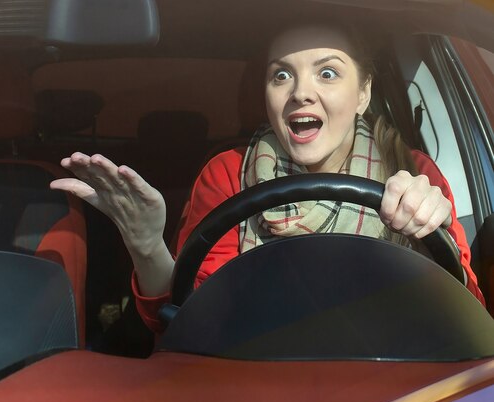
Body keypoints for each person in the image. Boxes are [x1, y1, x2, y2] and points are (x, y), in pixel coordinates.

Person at [51, 22, 486, 333]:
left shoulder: (412, 171)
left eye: (328, 72)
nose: (300, 92)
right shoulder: (226, 174)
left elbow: (470, 319)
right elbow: (184, 327)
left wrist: (428, 237)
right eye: (282, 74)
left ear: (364, 93)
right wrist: (147, 246)